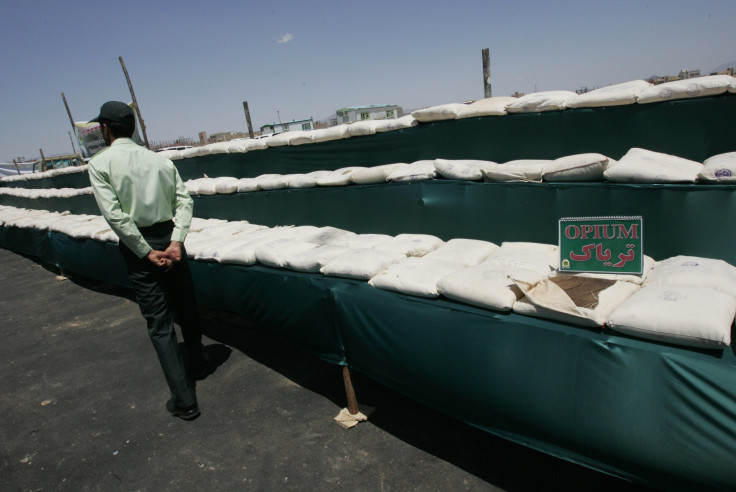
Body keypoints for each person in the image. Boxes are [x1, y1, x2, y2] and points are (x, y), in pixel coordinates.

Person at [87, 101, 208, 420]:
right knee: (186, 304)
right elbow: (184, 201)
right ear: (134, 127)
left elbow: (115, 215)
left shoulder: (100, 164)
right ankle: (199, 363)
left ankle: (185, 400)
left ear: (105, 129)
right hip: (169, 240)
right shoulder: (161, 162)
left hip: (140, 247)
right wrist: (176, 241)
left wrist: (145, 251)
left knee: (159, 322)